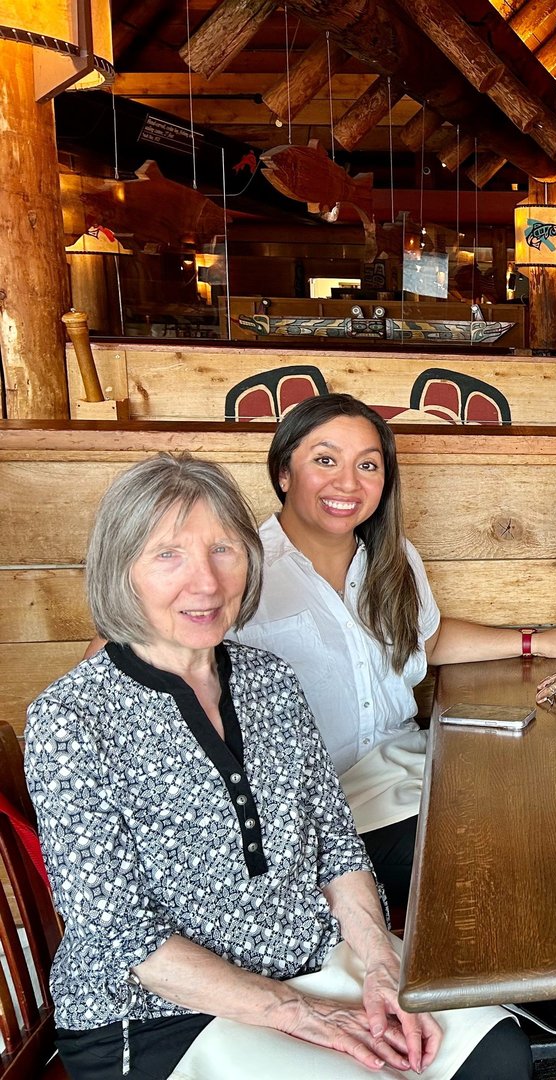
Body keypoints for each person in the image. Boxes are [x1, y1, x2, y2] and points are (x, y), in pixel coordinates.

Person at [26, 454, 530, 1080]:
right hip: (158, 1015)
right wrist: (301, 1013)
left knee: (495, 1052)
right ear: (120, 571)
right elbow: (121, 936)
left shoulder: (270, 682)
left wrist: (378, 963)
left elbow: (338, 848)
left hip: (310, 958)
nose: (205, 583)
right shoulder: (71, 718)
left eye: (223, 550)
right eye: (167, 555)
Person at [229, 393, 556, 1038]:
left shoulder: (391, 556)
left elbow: (424, 643)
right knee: (497, 838)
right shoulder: (242, 569)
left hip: (408, 762)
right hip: (326, 810)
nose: (348, 483)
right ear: (283, 472)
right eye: (325, 460)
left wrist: (532, 640)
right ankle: (500, 979)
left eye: (369, 465)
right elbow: (148, 654)